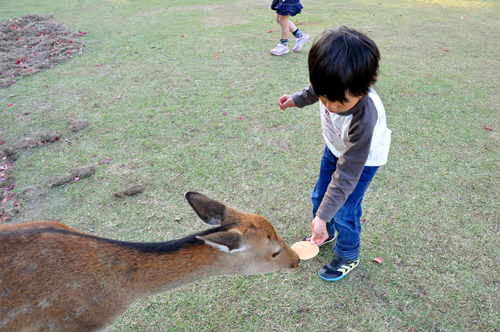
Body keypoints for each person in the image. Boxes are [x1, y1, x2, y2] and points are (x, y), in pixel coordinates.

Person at [278, 27, 391, 281]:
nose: (329, 105)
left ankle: (348, 254)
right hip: (335, 147)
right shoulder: (332, 84)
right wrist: (296, 99)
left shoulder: (365, 118)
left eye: (339, 102)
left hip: (361, 162)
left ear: (369, 81)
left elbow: (348, 173)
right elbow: (313, 90)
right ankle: (323, 231)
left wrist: (323, 214)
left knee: (344, 209)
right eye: (324, 97)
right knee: (320, 194)